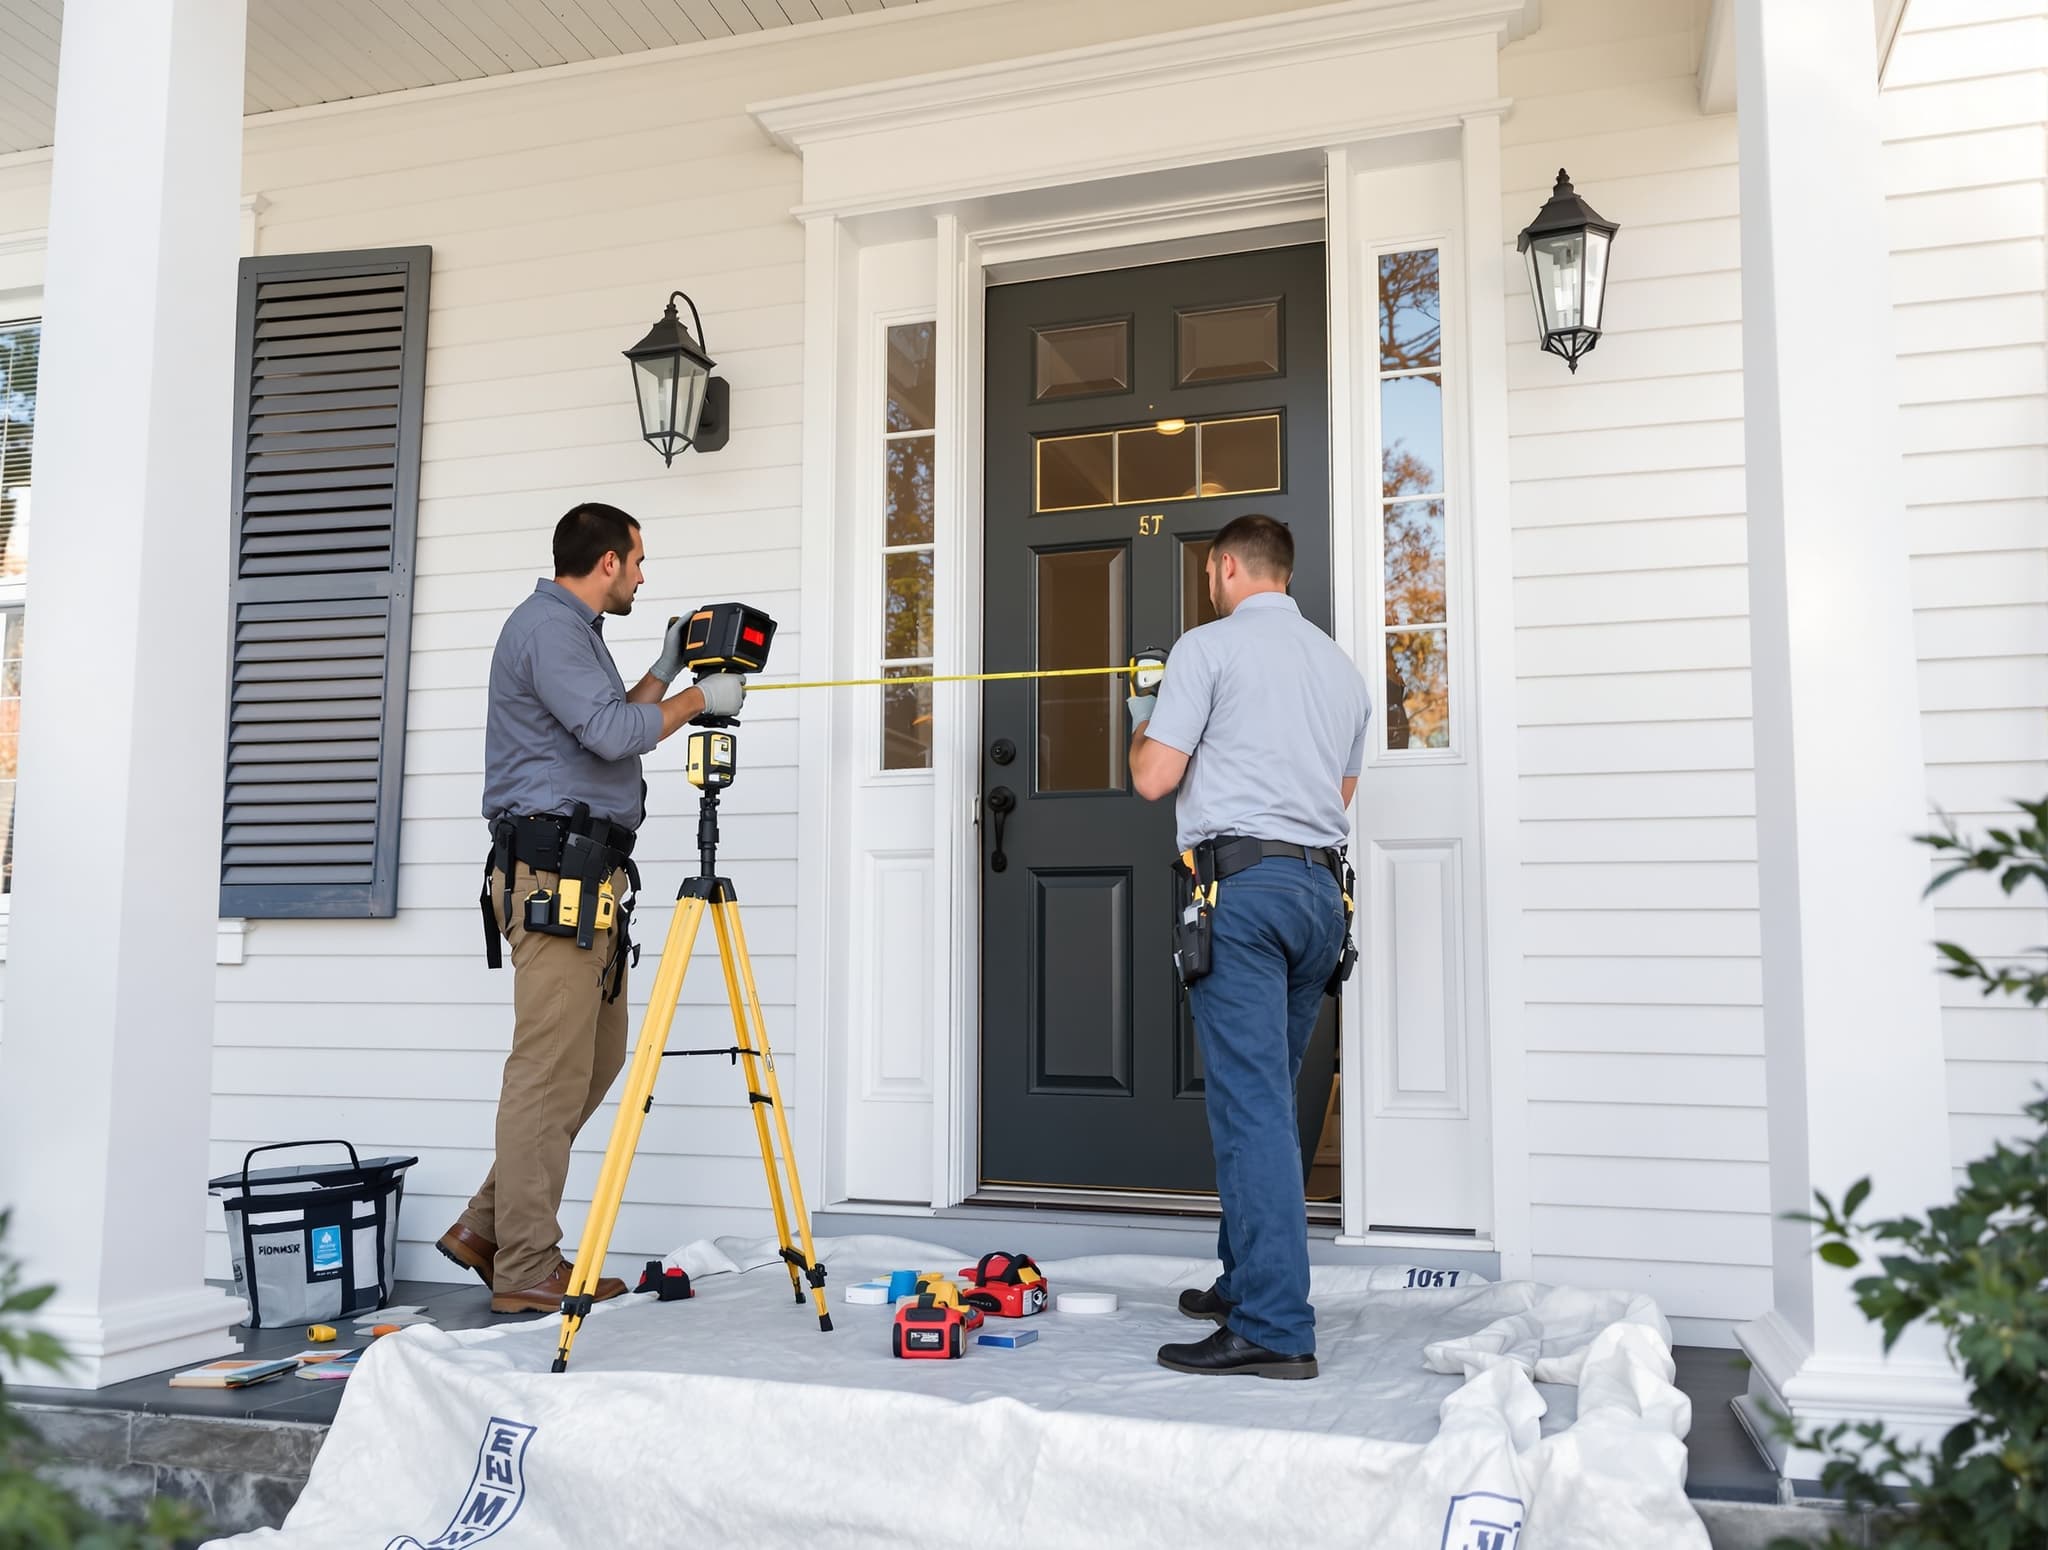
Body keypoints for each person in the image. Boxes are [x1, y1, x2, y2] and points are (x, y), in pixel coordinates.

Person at [438, 502, 747, 1315]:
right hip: (553, 876)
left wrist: (671, 670)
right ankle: (526, 1266)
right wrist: (697, 704)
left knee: (596, 1060)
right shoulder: (547, 628)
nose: (644, 575)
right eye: (638, 561)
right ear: (606, 562)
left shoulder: (575, 635)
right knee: (545, 1071)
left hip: (587, 878)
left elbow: (604, 723)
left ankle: (484, 1226)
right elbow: (615, 734)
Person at [1126, 513, 1371, 1379]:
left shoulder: (1207, 648)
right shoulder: (1343, 674)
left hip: (1244, 895)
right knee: (1264, 1101)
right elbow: (1336, 794)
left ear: (1226, 567)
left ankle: (1272, 1324)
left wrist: (1147, 709)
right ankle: (1245, 1283)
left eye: (1209, 573)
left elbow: (1154, 776)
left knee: (1251, 1106)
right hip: (1318, 899)